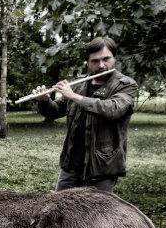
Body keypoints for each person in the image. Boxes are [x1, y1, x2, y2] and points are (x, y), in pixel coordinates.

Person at [33, 37, 137, 192]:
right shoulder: (79, 84)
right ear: (88, 62)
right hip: (71, 165)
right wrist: (44, 100)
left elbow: (113, 109)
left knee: (96, 209)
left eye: (106, 59)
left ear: (115, 58)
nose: (101, 65)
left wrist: (73, 96)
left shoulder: (126, 85)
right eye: (95, 61)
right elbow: (55, 111)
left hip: (101, 168)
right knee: (59, 206)